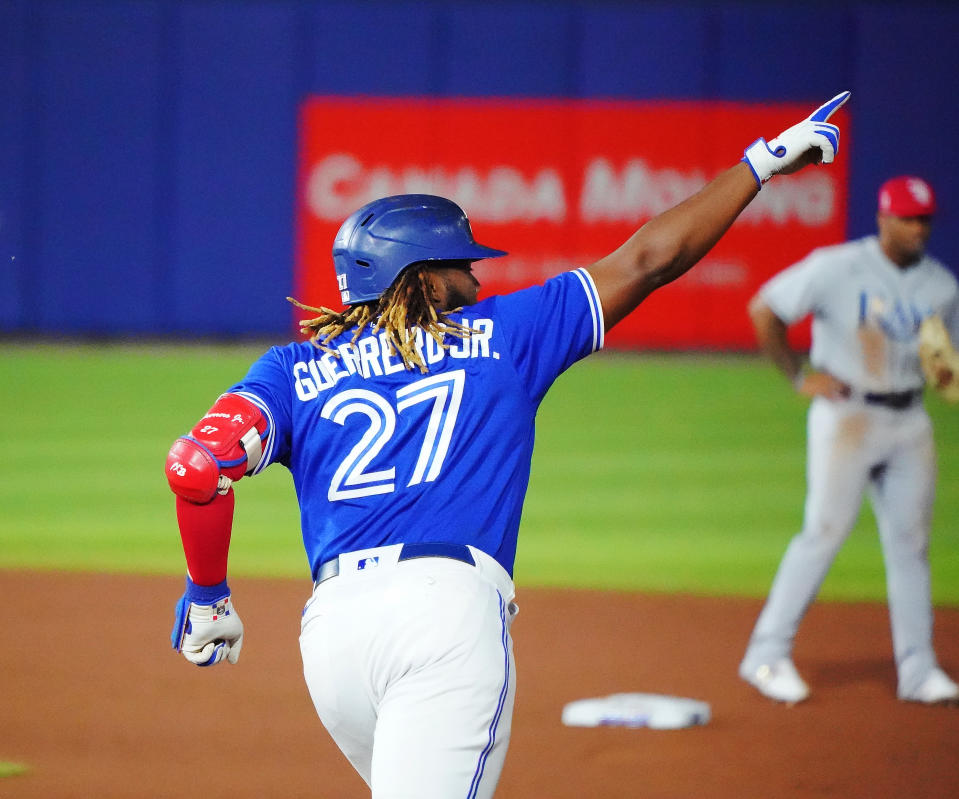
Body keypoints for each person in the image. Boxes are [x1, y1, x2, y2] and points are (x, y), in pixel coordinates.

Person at [165, 92, 849, 797]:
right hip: (443, 619)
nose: (478, 274)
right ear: (421, 274)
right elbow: (649, 257)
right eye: (461, 263)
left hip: (332, 639)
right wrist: (758, 165)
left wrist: (208, 594)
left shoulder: (291, 370)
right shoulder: (506, 333)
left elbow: (195, 466)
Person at [739, 175, 959, 706]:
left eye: (924, 218)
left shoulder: (941, 287)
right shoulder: (837, 267)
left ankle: (918, 669)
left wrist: (947, 377)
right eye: (907, 218)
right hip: (846, 417)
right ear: (882, 219)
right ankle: (765, 654)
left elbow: (941, 368)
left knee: (911, 545)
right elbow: (765, 308)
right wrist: (797, 376)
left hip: (909, 421)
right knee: (824, 532)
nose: (917, 227)